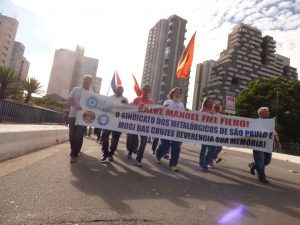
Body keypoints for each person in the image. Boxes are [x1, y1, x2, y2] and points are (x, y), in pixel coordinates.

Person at [248, 107, 281, 184]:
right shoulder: (255, 122)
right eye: (267, 112)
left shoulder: (270, 122)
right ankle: (262, 177)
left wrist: (277, 141)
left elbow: (274, 133)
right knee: (260, 161)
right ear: (261, 113)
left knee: (267, 161)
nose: (269, 113)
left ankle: (253, 165)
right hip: (257, 145)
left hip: (267, 145)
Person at [155, 87, 185, 172]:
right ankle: (158, 155)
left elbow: (183, 117)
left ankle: (173, 164)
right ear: (172, 93)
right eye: (176, 92)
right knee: (165, 145)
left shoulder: (181, 105)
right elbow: (162, 112)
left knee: (176, 148)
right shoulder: (168, 102)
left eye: (179, 92)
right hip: (167, 128)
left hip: (176, 129)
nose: (178, 93)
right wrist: (164, 108)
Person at [127, 84, 154, 167]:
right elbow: (131, 109)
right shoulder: (136, 99)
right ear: (142, 90)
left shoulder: (151, 102)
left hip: (145, 126)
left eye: (147, 89)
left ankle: (138, 159)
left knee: (144, 143)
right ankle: (130, 151)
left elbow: (154, 113)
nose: (146, 91)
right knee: (132, 140)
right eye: (144, 89)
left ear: (149, 91)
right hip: (135, 125)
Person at [68, 74, 93, 163]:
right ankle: (74, 150)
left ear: (91, 82)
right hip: (73, 116)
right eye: (85, 79)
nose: (86, 81)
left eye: (88, 80)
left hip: (83, 119)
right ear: (83, 80)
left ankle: (74, 154)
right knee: (72, 135)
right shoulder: (76, 89)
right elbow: (70, 99)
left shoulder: (91, 93)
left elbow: (93, 107)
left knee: (79, 136)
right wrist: (75, 106)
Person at [100, 85, 128, 162]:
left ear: (123, 91)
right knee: (104, 136)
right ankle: (105, 153)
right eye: (118, 89)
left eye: (121, 90)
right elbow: (104, 107)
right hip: (108, 121)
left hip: (118, 123)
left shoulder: (125, 99)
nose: (119, 91)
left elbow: (127, 111)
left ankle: (111, 154)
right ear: (115, 90)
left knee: (115, 140)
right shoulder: (110, 98)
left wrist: (125, 104)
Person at [199, 97, 216, 171]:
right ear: (205, 103)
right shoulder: (202, 111)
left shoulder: (213, 111)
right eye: (209, 101)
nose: (211, 103)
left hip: (212, 133)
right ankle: (202, 164)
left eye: (212, 101)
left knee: (213, 148)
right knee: (204, 148)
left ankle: (205, 162)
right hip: (204, 132)